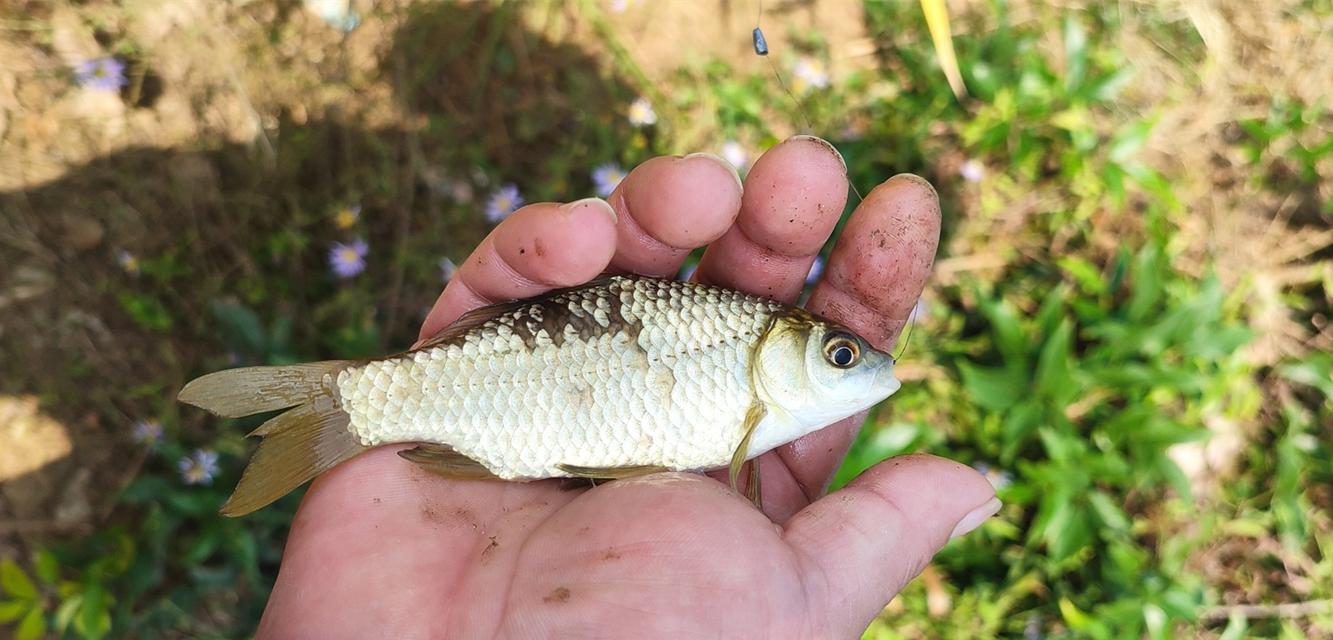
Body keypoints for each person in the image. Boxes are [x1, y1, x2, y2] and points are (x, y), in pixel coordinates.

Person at [256, 135, 1000, 638]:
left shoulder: (755, 406)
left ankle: (344, 406)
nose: (859, 370)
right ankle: (346, 405)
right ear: (779, 351)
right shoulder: (749, 401)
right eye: (839, 357)